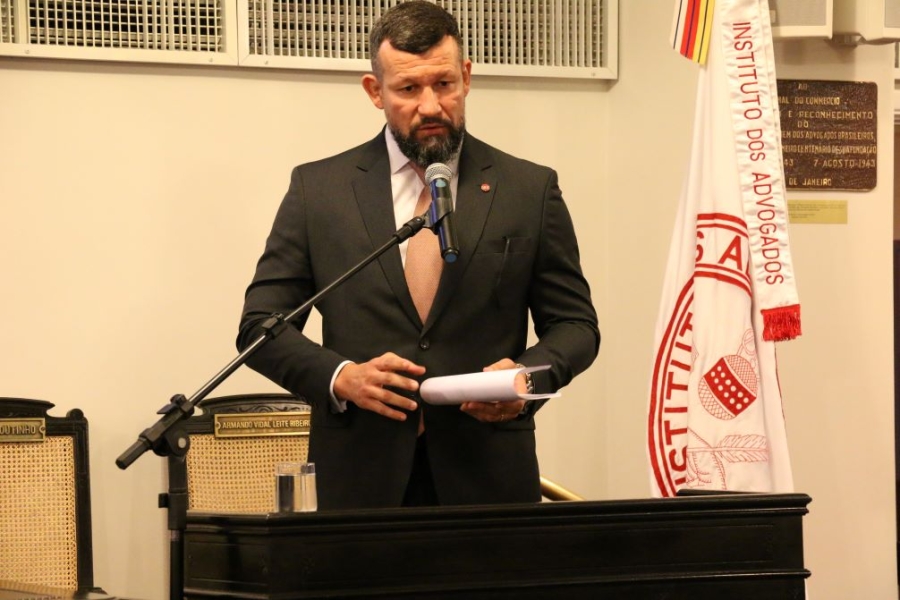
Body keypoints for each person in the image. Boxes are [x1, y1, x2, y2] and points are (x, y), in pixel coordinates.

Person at [237, 0, 599, 510]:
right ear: (375, 91)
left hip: (489, 480)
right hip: (360, 480)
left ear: (466, 77)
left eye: (444, 84)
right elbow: (261, 327)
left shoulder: (528, 189)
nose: (431, 106)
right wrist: (342, 377)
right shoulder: (318, 191)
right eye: (408, 89)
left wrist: (525, 379)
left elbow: (576, 327)